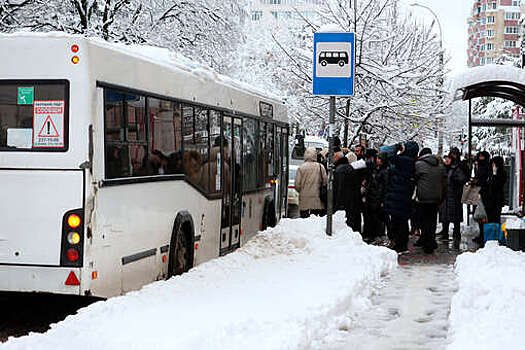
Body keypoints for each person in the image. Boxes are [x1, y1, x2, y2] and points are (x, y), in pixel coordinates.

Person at [381, 141, 419, 253]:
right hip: (402, 195)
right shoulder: (410, 162)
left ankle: (400, 245)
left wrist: (396, 147)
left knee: (399, 222)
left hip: (398, 195)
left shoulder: (404, 161)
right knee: (400, 221)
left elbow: (387, 154)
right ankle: (400, 243)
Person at [414, 148, 447, 254]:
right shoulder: (440, 166)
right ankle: (431, 242)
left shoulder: (418, 165)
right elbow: (445, 183)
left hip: (423, 198)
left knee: (423, 220)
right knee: (432, 221)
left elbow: (414, 179)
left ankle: (425, 242)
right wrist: (442, 197)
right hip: (436, 198)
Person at [439, 148, 468, 243]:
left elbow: (462, 179)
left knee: (455, 215)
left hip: (454, 195)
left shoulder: (457, 168)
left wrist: (455, 180)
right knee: (445, 215)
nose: (447, 160)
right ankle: (445, 233)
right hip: (446, 194)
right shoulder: (445, 168)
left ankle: (456, 233)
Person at [334, 151, 367, 232]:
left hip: (344, 201)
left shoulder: (340, 170)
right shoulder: (355, 170)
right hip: (354, 200)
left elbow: (339, 188)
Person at [295, 147, 327, 218]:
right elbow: (325, 182)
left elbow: (297, 185)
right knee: (315, 220)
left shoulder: (301, 168)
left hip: (304, 200)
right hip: (317, 200)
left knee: (304, 219)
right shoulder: (320, 167)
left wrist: (302, 191)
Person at [472, 151, 491, 244]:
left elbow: (483, 179)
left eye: (482, 157)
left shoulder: (486, 167)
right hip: (479, 192)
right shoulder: (478, 166)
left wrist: (477, 181)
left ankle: (484, 235)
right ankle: (482, 234)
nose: (480, 158)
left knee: (483, 214)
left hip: (484, 193)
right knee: (480, 214)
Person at [484, 156, 507, 225]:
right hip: (489, 200)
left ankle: (495, 233)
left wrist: (495, 175)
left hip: (497, 199)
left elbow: (497, 185)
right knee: (489, 218)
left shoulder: (502, 173)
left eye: (494, 163)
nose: (493, 165)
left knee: (496, 218)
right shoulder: (490, 172)